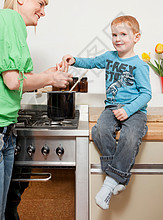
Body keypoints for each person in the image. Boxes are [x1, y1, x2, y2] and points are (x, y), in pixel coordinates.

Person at [0, 0, 72, 220]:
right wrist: (48, 78)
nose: (43, 11)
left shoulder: (1, 23)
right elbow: (13, 82)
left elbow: (19, 79)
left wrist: (48, 75)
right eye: (40, 3)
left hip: (1, 129)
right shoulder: (8, 18)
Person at [62, 15, 152, 210]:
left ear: (136, 37)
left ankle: (109, 182)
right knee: (99, 131)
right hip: (111, 107)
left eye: (123, 34)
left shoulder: (140, 65)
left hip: (134, 110)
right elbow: (92, 62)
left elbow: (146, 94)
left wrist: (128, 110)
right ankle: (118, 176)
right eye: (114, 34)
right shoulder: (109, 57)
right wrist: (75, 60)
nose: (117, 38)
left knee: (130, 137)